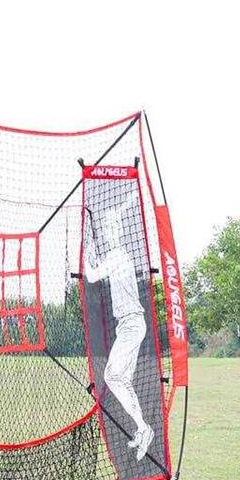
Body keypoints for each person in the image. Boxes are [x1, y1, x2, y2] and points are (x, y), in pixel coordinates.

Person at [83, 197, 155, 462]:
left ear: (119, 231)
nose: (107, 232)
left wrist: (83, 257)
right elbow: (97, 268)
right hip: (129, 325)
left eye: (111, 228)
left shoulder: (118, 255)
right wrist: (91, 255)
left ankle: (144, 428)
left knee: (113, 376)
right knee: (122, 380)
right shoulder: (116, 256)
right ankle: (142, 429)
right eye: (104, 229)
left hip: (132, 325)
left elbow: (91, 275)